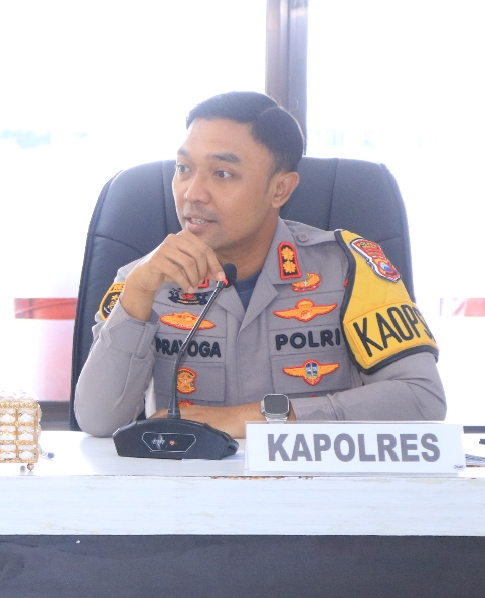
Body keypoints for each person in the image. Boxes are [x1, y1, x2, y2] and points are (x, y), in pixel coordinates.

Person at [74, 92, 444, 439]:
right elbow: (97, 421)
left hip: (316, 485)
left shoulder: (349, 268)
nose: (192, 193)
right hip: (186, 485)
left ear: (280, 189)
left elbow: (422, 397)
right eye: (184, 168)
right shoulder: (145, 279)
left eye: (222, 174)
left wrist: (257, 418)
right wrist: (138, 293)